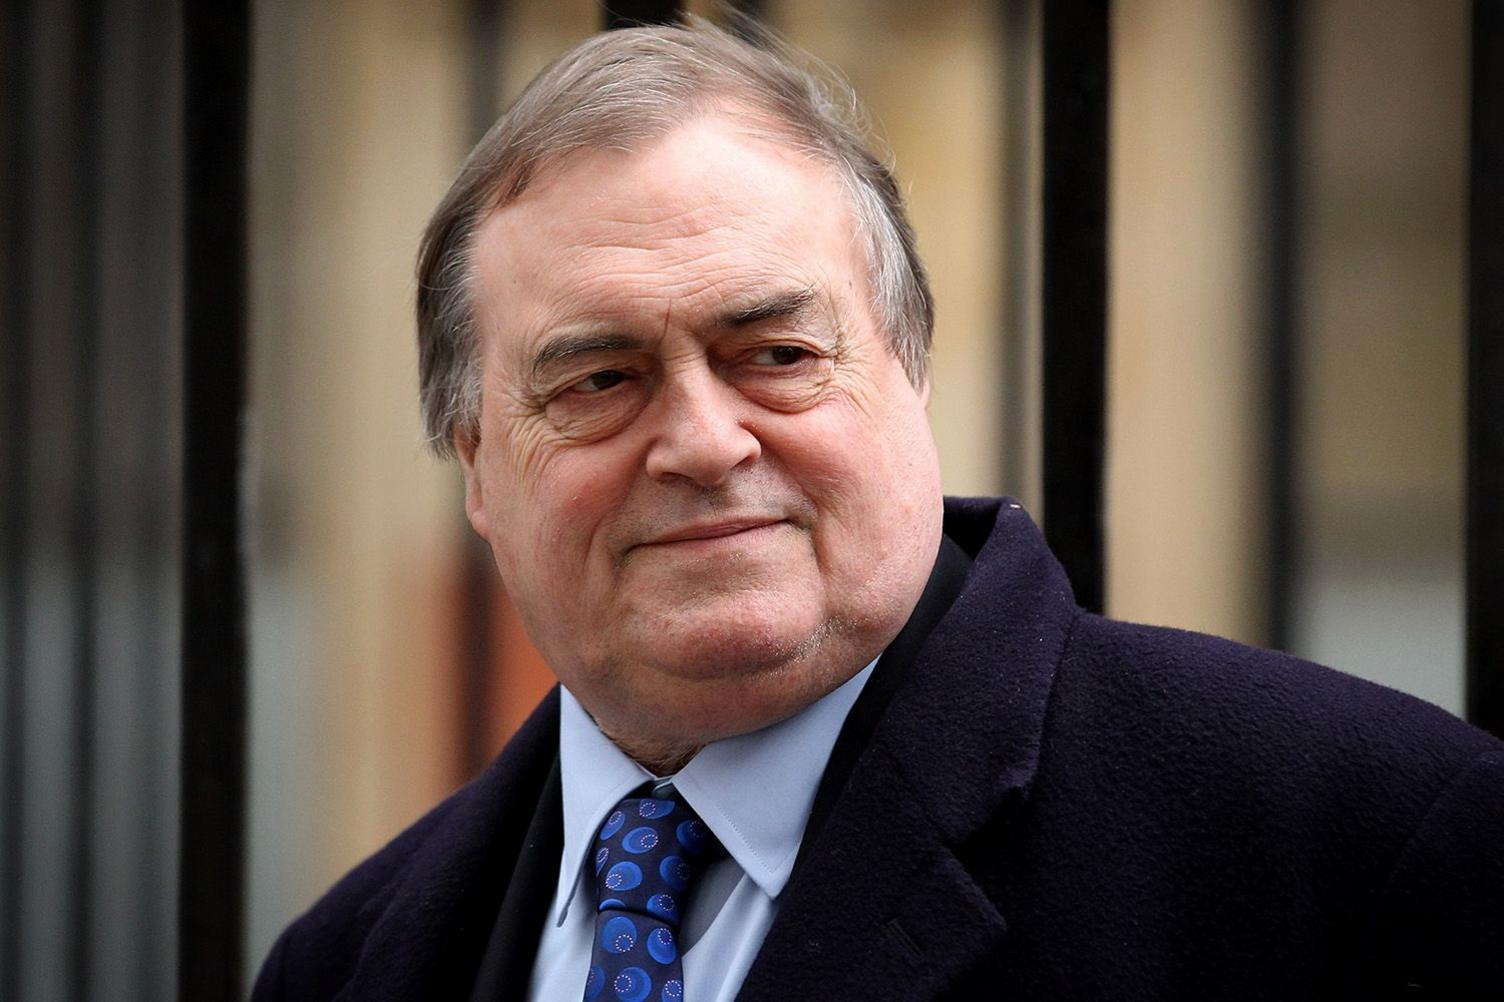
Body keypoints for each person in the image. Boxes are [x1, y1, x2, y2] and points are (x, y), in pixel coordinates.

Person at [252, 21, 1504, 1002]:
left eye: (778, 353)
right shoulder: (346, 961)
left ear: (909, 370)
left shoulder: (1354, 845)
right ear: (476, 464)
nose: (700, 440)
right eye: (598, 380)